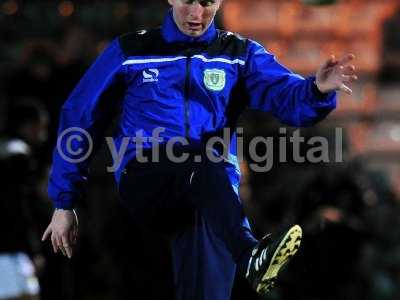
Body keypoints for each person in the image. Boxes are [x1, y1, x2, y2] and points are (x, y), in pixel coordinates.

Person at [41, 0, 357, 299]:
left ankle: (248, 256)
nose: (196, 13)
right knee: (201, 158)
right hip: (148, 176)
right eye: (188, 1)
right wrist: (64, 201)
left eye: (206, 3)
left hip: (212, 190)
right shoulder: (131, 50)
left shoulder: (239, 54)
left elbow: (288, 98)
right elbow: (80, 116)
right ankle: (250, 255)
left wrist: (316, 90)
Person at [0, 100, 48, 300]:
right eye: (41, 127)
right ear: (28, 126)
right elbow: (20, 209)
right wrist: (32, 249)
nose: (43, 134)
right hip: (12, 253)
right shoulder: (17, 160)